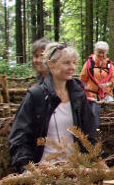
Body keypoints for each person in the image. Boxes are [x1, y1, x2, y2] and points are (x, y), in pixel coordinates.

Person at [8, 42, 98, 173]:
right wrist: (27, 169)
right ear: (51, 64)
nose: (72, 67)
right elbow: (19, 137)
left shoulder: (78, 96)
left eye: (73, 62)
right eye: (66, 63)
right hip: (43, 174)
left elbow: (90, 134)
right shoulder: (36, 96)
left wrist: (94, 161)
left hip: (76, 172)